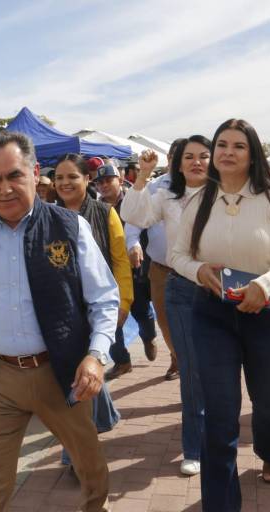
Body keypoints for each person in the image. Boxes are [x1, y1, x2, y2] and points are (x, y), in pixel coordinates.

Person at [0, 132, 117, 511]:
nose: (4, 188)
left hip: (60, 373)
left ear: (34, 173)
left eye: (14, 175)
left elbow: (104, 298)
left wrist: (96, 355)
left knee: (91, 469)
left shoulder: (69, 227)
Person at [170, 119, 270, 511]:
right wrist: (197, 271)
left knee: (266, 402)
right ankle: (222, 504)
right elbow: (178, 255)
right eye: (222, 145)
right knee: (219, 412)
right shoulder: (198, 201)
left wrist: (265, 283)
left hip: (266, 313)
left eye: (238, 146)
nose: (228, 152)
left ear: (253, 154)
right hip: (211, 315)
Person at [121, 135, 212, 476]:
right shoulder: (164, 193)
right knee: (190, 369)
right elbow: (133, 214)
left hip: (221, 288)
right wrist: (142, 176)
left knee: (220, 366)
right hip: (180, 286)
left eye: (204, 155)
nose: (196, 162)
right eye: (188, 156)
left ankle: (220, 431)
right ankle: (194, 445)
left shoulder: (226, 193)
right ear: (176, 161)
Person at [53, 155, 136, 380]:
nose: (64, 182)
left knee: (92, 363)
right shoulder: (48, 217)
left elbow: (119, 261)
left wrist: (124, 301)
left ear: (87, 178)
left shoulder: (105, 213)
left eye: (72, 176)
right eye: (59, 177)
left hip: (100, 304)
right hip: (65, 307)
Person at [123, 138, 183, 380]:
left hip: (196, 271)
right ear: (168, 160)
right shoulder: (154, 187)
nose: (181, 162)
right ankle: (177, 355)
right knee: (165, 321)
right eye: (176, 157)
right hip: (161, 269)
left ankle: (191, 361)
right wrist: (133, 243)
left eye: (187, 157)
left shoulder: (205, 187)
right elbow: (133, 219)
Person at [95, 162, 158, 366]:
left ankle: (148, 337)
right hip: (109, 273)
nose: (104, 185)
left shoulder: (135, 200)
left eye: (108, 180)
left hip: (136, 269)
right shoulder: (96, 209)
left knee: (141, 311)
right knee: (111, 320)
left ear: (120, 180)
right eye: (100, 182)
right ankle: (122, 362)